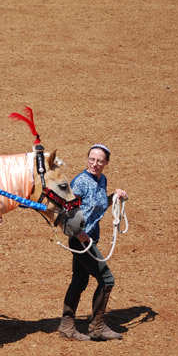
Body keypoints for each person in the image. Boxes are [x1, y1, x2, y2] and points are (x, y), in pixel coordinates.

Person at [58, 143, 127, 341]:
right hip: (81, 240)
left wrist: (114, 196)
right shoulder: (80, 182)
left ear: (106, 163)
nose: (94, 164)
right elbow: (65, 210)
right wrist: (78, 233)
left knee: (79, 281)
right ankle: (97, 326)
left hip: (90, 238)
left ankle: (66, 326)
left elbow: (97, 206)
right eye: (91, 159)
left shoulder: (101, 179)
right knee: (107, 280)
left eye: (99, 161)